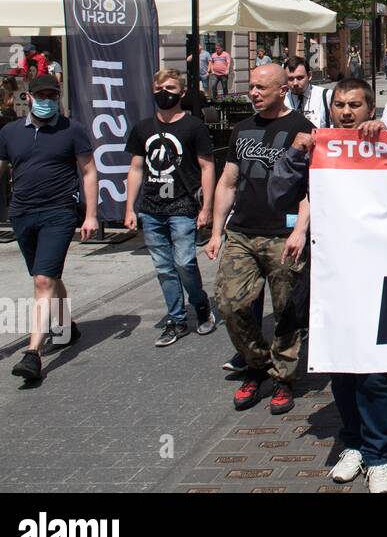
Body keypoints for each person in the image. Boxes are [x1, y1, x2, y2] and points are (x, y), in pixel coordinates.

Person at [269, 78, 387, 493]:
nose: (345, 112)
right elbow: (277, 196)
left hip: (380, 274)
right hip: (331, 276)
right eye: (339, 105)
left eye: (354, 105)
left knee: (376, 371)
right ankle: (354, 443)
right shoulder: (317, 150)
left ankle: (379, 454)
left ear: (370, 108)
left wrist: (386, 141)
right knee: (342, 364)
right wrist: (295, 154)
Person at [0, 74, 98, 381]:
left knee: (42, 280)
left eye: (52, 96)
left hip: (59, 213)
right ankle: (67, 327)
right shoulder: (10, 133)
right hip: (22, 214)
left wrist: (91, 214)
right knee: (49, 276)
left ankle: (32, 354)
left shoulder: (72, 130)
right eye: (41, 96)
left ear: (58, 98)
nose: (46, 101)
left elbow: (89, 172)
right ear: (29, 98)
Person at [205, 63, 313, 415]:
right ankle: (256, 364)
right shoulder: (242, 129)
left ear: (282, 90)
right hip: (242, 231)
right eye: (251, 86)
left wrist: (300, 229)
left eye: (261, 88)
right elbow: (228, 181)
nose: (253, 93)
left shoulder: (303, 128)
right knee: (230, 303)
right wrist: (217, 230)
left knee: (287, 311)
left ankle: (284, 378)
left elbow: (312, 188)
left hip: (283, 235)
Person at [123, 68, 218, 346]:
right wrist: (130, 207)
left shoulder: (194, 127)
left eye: (171, 89)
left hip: (183, 205)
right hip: (152, 207)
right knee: (164, 266)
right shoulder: (142, 128)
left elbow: (207, 166)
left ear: (182, 93)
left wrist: (207, 207)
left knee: (184, 261)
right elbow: (136, 167)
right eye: (160, 88)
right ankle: (176, 319)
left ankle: (200, 303)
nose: (165, 93)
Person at [285, 55, 331, 128]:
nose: (295, 83)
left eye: (300, 78)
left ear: (309, 76)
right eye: (290, 79)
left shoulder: (326, 96)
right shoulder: (282, 101)